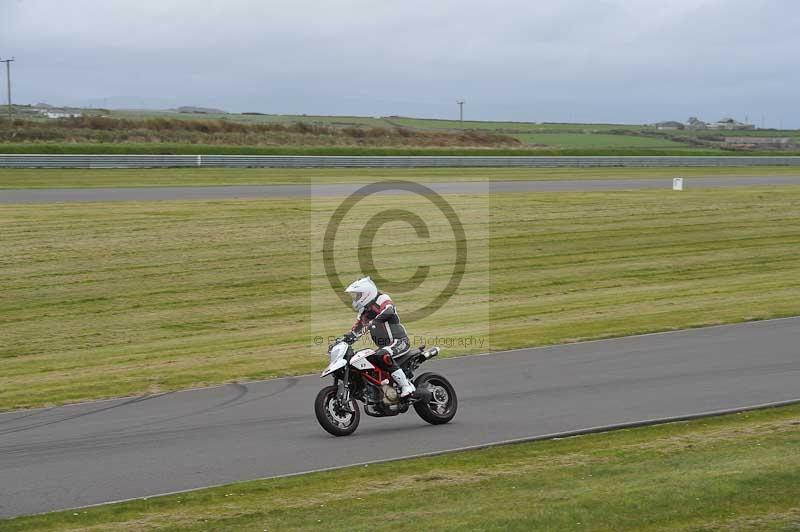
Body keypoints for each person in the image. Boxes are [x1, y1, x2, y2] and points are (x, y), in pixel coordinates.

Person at [344, 276, 416, 398]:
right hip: (385, 346)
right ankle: (382, 390)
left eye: (358, 295)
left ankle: (406, 385)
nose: (356, 298)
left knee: (382, 355)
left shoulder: (382, 298)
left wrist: (375, 321)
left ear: (367, 293)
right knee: (367, 359)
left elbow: (389, 310)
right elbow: (356, 330)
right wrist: (344, 340)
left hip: (399, 342)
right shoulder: (364, 312)